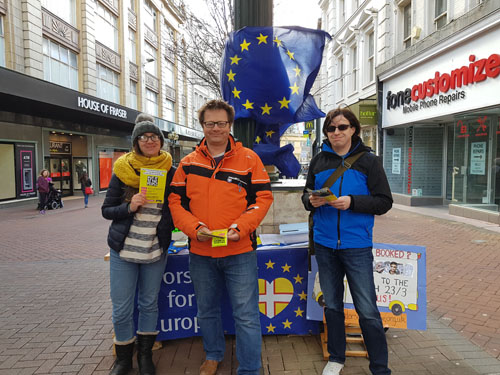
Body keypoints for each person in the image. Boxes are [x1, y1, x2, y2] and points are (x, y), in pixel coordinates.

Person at [168, 99, 273, 375]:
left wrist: (240, 228)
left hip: (239, 252)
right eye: (210, 123)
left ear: (230, 125)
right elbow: (175, 203)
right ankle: (213, 355)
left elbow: (263, 198)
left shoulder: (250, 159)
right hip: (201, 254)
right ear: (202, 126)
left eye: (221, 123)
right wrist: (194, 228)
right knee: (206, 311)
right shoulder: (188, 163)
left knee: (247, 315)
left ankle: (250, 368)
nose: (216, 128)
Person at [301, 107, 393, 375]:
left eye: (342, 127)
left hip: (356, 245)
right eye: (331, 129)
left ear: (353, 129)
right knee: (332, 305)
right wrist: (311, 200)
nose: (336, 132)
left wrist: (352, 202)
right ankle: (336, 357)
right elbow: (305, 198)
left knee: (367, 309)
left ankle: (379, 366)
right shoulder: (319, 161)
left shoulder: (369, 161)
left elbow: (384, 202)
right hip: (325, 244)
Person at [102, 113, 175, 375]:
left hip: (155, 250)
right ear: (136, 142)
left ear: (161, 141)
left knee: (148, 303)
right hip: (123, 250)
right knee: (121, 306)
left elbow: (180, 207)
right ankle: (123, 358)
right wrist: (128, 206)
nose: (149, 140)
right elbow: (107, 210)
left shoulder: (170, 170)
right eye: (144, 137)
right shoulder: (122, 170)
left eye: (154, 136)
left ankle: (145, 356)